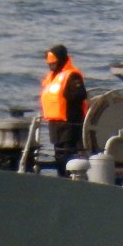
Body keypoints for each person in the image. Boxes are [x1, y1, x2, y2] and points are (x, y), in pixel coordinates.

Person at [40, 44, 87, 175]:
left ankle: (68, 179)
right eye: (49, 64)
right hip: (55, 125)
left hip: (69, 124)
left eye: (53, 63)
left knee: (68, 157)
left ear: (60, 60)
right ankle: (61, 177)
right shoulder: (52, 76)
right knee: (59, 157)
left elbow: (81, 94)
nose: (51, 66)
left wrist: (68, 94)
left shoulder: (72, 75)